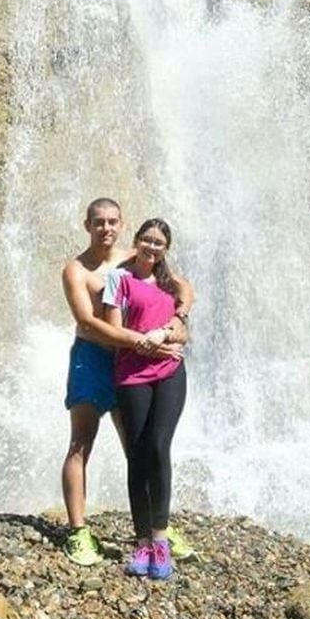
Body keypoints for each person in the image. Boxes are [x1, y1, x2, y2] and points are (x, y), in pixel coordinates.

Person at [60, 197, 194, 566]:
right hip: (94, 358)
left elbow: (182, 287)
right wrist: (140, 340)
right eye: (99, 221)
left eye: (112, 221)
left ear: (122, 225)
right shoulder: (77, 269)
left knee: (141, 447)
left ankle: (156, 528)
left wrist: (178, 317)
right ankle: (78, 531)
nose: (106, 228)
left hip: (131, 362)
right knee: (81, 442)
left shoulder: (133, 256)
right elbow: (87, 321)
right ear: (87, 224)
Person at [103, 218, 188, 581]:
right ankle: (141, 541)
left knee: (158, 445)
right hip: (132, 374)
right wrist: (144, 341)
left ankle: (160, 538)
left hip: (169, 373)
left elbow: (182, 332)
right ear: (136, 242)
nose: (152, 247)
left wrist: (166, 332)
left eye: (159, 243)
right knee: (137, 452)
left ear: (165, 249)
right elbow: (113, 328)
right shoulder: (119, 280)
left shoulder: (173, 286)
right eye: (147, 240)